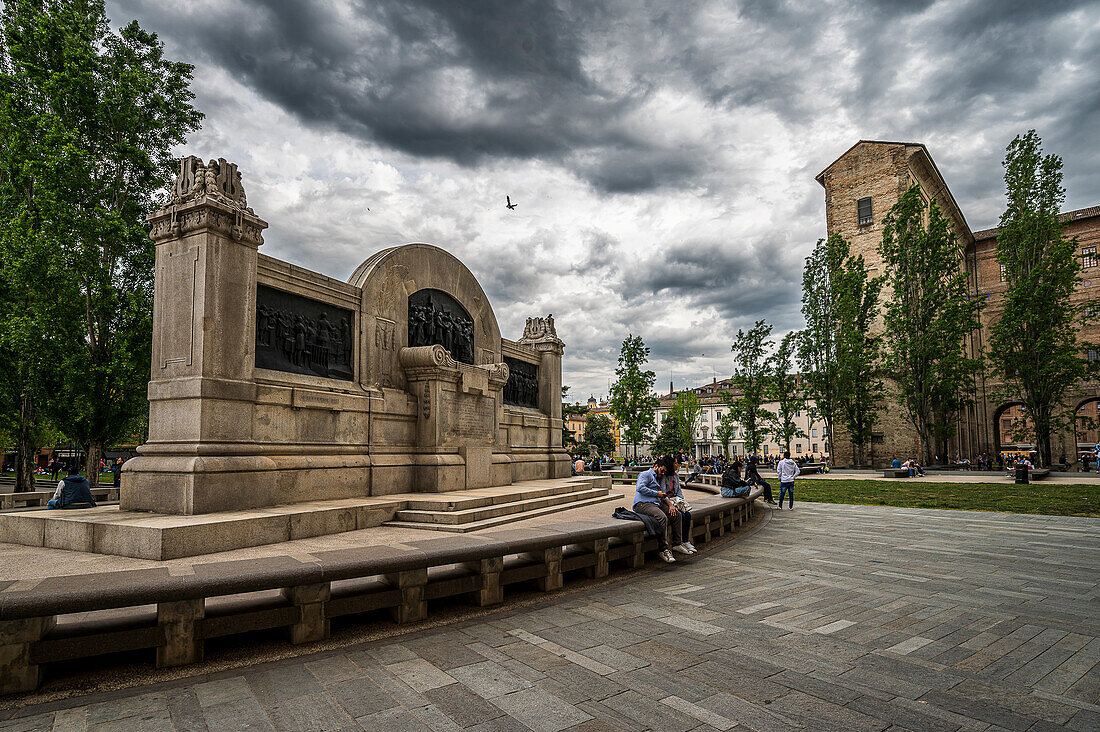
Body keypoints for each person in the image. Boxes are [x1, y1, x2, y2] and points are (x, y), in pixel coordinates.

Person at [633, 456, 682, 563]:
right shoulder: (646, 474)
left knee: (676, 515)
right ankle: (663, 549)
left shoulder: (659, 477)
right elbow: (640, 488)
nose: (663, 473)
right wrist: (656, 493)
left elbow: (663, 495)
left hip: (657, 504)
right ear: (656, 466)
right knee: (662, 517)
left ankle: (677, 543)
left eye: (665, 472)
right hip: (643, 504)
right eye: (662, 471)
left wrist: (670, 505)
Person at [662, 457, 697, 554]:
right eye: (676, 463)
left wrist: (681, 502)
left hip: (675, 500)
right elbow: (663, 493)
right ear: (671, 464)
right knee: (680, 515)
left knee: (687, 514)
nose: (678, 465)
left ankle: (685, 541)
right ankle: (678, 542)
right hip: (667, 501)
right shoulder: (664, 476)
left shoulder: (676, 475)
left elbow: (679, 491)